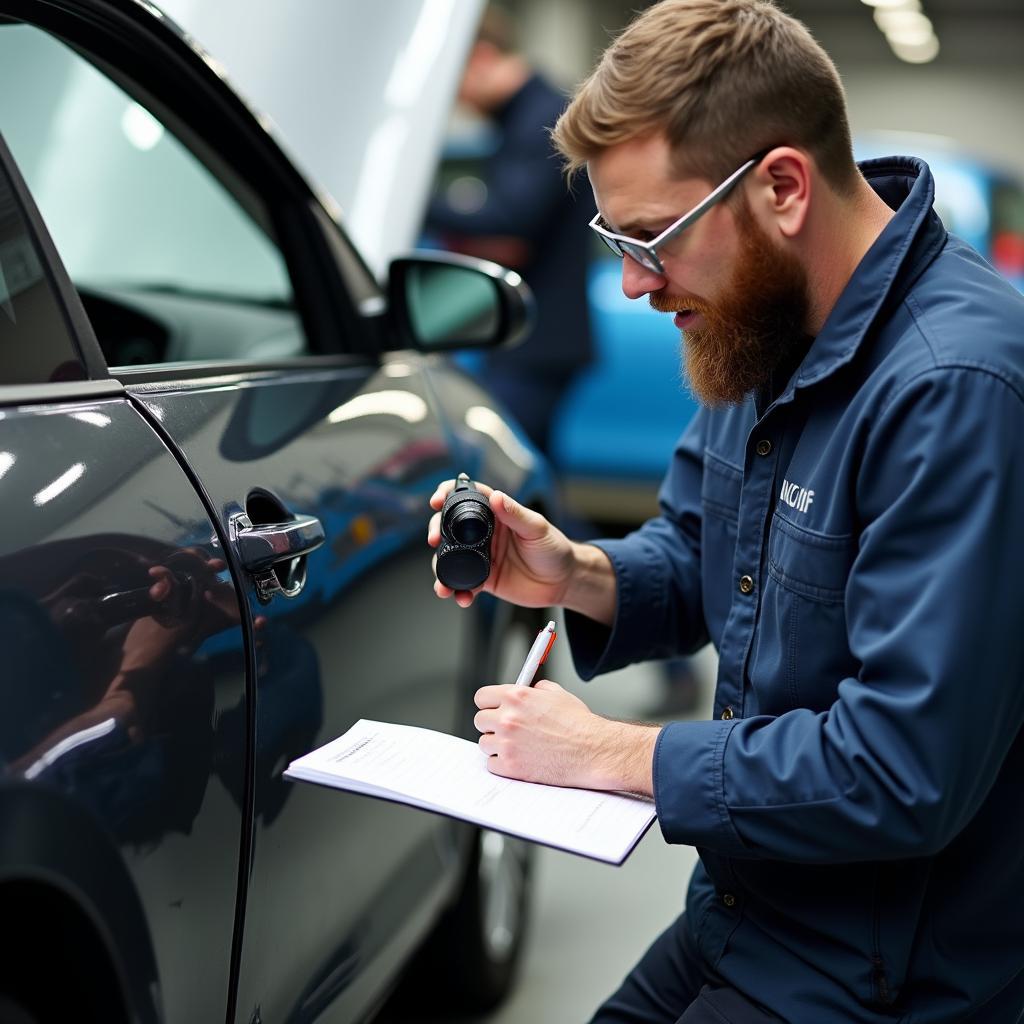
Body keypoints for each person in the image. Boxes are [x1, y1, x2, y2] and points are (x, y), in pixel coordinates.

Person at [426, 1, 1024, 1021]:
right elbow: (705, 547)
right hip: (747, 907)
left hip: (883, 972)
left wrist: (616, 754)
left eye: (653, 237)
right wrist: (576, 571)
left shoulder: (955, 387)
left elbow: (902, 768)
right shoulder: (762, 316)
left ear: (783, 187)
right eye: (618, 238)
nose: (631, 281)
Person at [424, 5, 594, 456]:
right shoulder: (526, 118)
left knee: (503, 467)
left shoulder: (541, 118)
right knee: (524, 472)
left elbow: (510, 222)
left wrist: (421, 199)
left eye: (454, 81)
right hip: (534, 337)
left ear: (480, 57)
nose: (457, 99)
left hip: (539, 340)